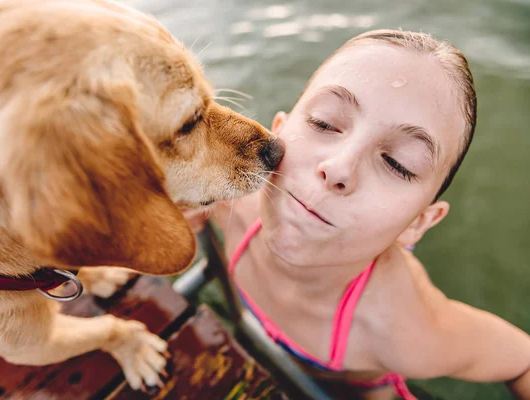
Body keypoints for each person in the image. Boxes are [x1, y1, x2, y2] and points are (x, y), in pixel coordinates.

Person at [183, 29, 530, 399]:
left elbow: (522, 361)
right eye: (324, 122)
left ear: (418, 222)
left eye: (398, 164)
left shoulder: (404, 329)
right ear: (277, 130)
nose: (339, 168)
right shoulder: (228, 202)